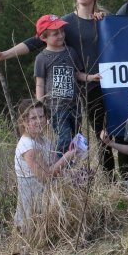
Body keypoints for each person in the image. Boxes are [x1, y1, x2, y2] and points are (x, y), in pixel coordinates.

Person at [0, 0, 115, 171]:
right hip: (70, 91)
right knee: (70, 136)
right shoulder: (64, 23)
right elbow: (34, 42)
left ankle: (111, 177)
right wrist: (4, 54)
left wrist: (104, 19)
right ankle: (61, 173)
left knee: (103, 132)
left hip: (98, 84)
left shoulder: (104, 20)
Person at [33, 14, 100, 154]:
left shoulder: (71, 52)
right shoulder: (41, 58)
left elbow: (77, 74)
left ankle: (70, 170)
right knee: (64, 138)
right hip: (55, 107)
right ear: (44, 37)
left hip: (74, 105)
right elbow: (39, 84)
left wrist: (91, 77)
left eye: (62, 31)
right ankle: (56, 167)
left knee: (76, 139)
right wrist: (40, 107)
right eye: (55, 33)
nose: (61, 35)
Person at [13, 99, 78, 233]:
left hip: (48, 202)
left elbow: (55, 166)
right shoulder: (28, 146)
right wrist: (66, 157)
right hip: (34, 210)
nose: (39, 121)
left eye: (41, 116)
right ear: (24, 121)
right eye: (33, 118)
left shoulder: (43, 140)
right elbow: (46, 176)